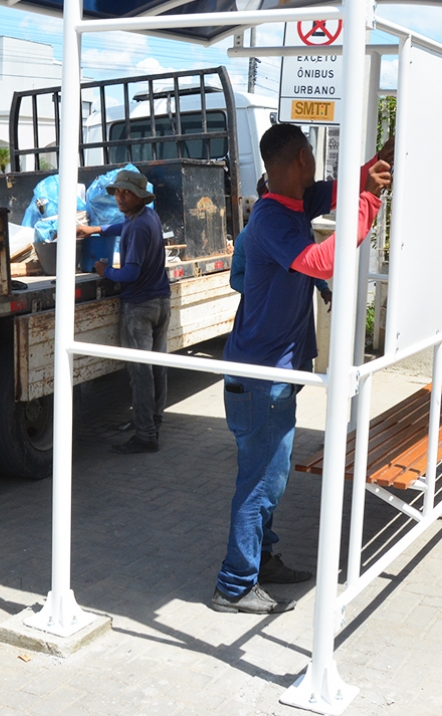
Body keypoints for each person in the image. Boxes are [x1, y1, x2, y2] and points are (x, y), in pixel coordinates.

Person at [211, 124, 393, 615]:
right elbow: (321, 261)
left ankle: (261, 561)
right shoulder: (272, 218)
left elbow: (339, 189)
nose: (316, 162)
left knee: (269, 479)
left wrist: (374, 169)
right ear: (300, 160)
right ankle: (234, 585)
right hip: (260, 378)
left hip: (274, 375)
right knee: (260, 483)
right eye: (311, 154)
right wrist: (369, 201)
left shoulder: (295, 203)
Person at [77, 169, 171, 454]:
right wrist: (94, 230)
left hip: (140, 306)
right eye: (117, 192)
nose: (119, 197)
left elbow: (130, 273)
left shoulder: (138, 227)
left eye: (126, 193)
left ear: (140, 196)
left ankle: (145, 436)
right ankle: (153, 421)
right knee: (157, 368)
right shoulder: (147, 217)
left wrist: (105, 270)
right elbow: (122, 228)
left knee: (140, 373)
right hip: (161, 302)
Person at [231, 177, 331, 307]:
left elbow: (308, 262)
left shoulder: (296, 231)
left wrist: (323, 288)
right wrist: (264, 291)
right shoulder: (247, 237)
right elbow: (235, 279)